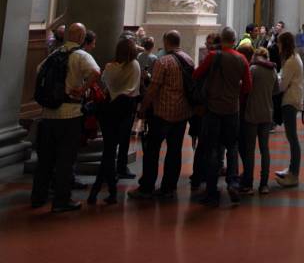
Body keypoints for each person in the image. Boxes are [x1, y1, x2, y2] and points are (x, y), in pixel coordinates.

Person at [31, 22, 100, 213]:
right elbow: (96, 72)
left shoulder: (54, 54)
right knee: (65, 159)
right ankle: (61, 200)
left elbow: (38, 71)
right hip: (69, 114)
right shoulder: (80, 55)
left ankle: (38, 197)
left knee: (44, 160)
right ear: (81, 37)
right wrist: (82, 89)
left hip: (48, 114)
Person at [129, 30, 192, 200]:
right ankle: (169, 187)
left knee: (152, 151)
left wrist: (143, 108)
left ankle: (147, 186)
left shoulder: (163, 61)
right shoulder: (188, 59)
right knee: (174, 151)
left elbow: (153, 88)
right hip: (182, 113)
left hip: (162, 113)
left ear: (166, 42)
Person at [193, 25, 252, 206]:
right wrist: (234, 92)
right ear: (234, 41)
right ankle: (233, 182)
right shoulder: (242, 59)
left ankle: (211, 191)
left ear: (222, 39)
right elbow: (248, 87)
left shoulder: (213, 56)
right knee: (232, 148)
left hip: (213, 109)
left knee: (212, 149)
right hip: (232, 109)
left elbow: (196, 74)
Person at [88, 36, 141, 204]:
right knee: (109, 152)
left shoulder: (110, 67)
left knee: (109, 151)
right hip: (124, 111)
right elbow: (134, 88)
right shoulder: (134, 66)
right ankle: (102, 190)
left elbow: (104, 82)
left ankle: (101, 190)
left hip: (109, 110)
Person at [242, 46, 278, 194]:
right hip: (267, 112)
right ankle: (264, 184)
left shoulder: (253, 70)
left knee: (249, 150)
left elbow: (246, 88)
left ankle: (248, 184)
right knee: (265, 149)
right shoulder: (273, 70)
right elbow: (276, 90)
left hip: (252, 112)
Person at [275, 30, 304, 187]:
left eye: (279, 43)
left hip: (290, 101)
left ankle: (294, 174)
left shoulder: (291, 61)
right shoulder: (293, 58)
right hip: (292, 99)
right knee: (291, 137)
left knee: (292, 138)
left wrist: (275, 81)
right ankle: (292, 169)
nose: (278, 46)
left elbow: (282, 85)